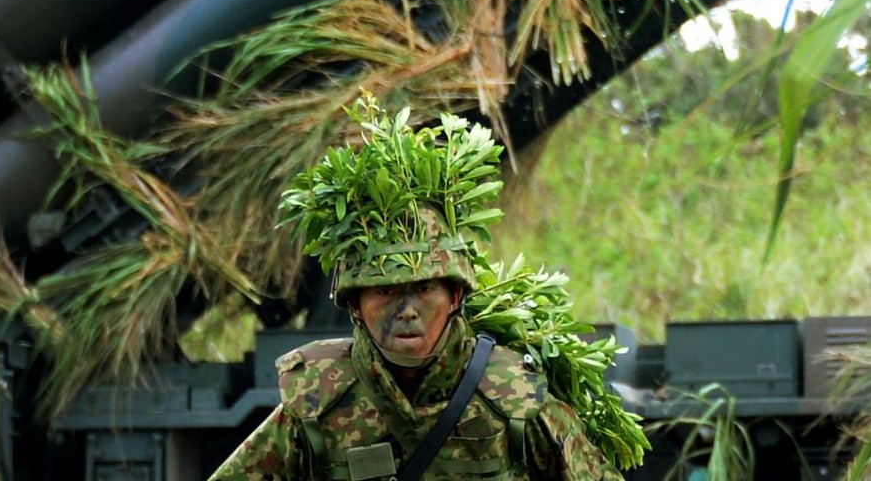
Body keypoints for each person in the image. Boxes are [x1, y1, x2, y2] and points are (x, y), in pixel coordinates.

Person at [209, 98, 622, 480]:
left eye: (424, 289)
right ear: (354, 305)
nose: (406, 310)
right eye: (385, 292)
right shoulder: (319, 402)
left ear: (455, 297)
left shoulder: (511, 397)